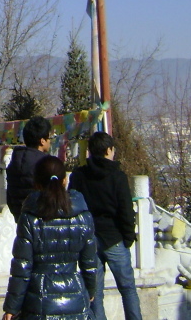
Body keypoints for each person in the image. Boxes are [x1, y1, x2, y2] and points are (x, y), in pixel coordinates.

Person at [2, 155, 98, 320]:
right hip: (75, 295)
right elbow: (89, 264)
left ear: (37, 184)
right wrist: (90, 290)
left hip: (38, 301)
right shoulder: (83, 217)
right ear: (65, 180)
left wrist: (12, 307)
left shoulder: (30, 218)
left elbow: (22, 268)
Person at [69, 131, 142, 320]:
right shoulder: (117, 176)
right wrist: (127, 238)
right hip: (114, 238)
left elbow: (73, 206)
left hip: (89, 239)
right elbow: (126, 211)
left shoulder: (79, 175)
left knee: (95, 293)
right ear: (109, 150)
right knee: (128, 289)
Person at [6, 116, 52, 219]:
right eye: (48, 138)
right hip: (42, 220)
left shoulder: (14, 163)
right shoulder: (46, 164)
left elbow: (10, 197)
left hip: (21, 220)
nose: (50, 141)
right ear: (42, 141)